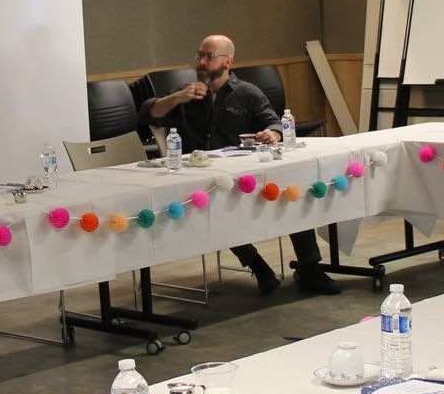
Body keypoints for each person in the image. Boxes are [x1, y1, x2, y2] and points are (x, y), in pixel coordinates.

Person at [140, 35, 335, 295]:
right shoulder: (187, 92)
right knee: (213, 209)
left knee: (291, 192)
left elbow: (274, 123)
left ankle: (310, 268)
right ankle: (258, 265)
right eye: (199, 55)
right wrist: (176, 98)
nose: (202, 61)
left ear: (227, 61)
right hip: (199, 174)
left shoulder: (246, 92)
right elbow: (147, 113)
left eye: (209, 57)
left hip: (243, 171)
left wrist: (272, 134)